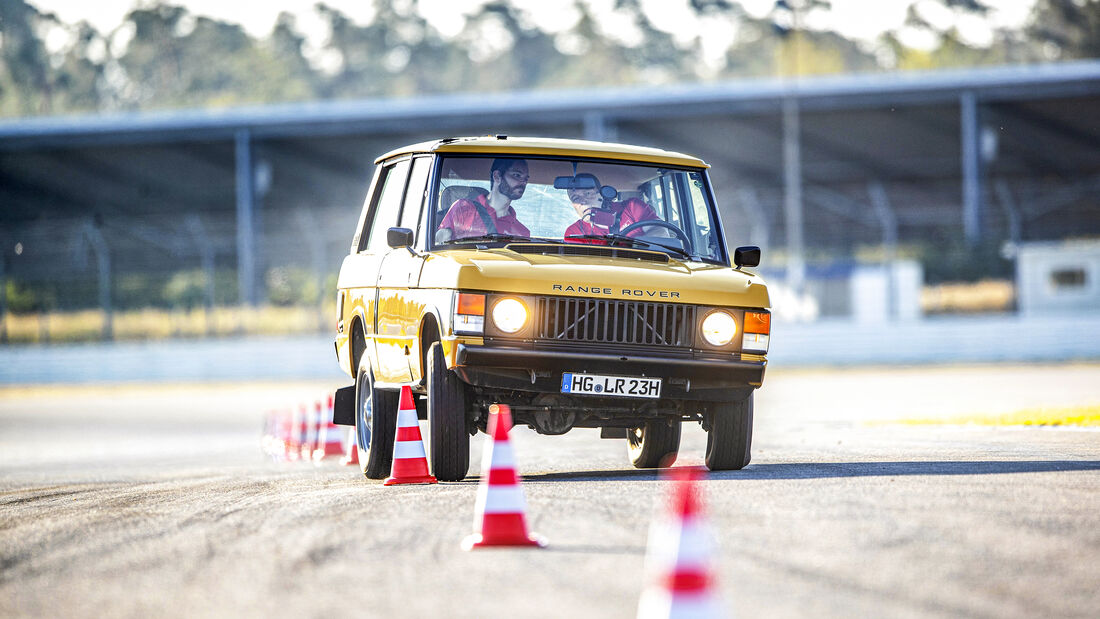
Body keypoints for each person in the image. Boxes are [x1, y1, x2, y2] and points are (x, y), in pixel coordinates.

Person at [435, 158, 531, 243]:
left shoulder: (522, 233)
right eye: (517, 175)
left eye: (526, 179)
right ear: (497, 176)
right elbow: (439, 244)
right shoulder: (463, 208)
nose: (523, 182)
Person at [563, 173, 666, 243]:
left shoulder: (632, 207)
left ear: (602, 194)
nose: (583, 201)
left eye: (588, 193)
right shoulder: (574, 232)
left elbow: (661, 233)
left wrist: (634, 247)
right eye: (575, 198)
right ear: (573, 205)